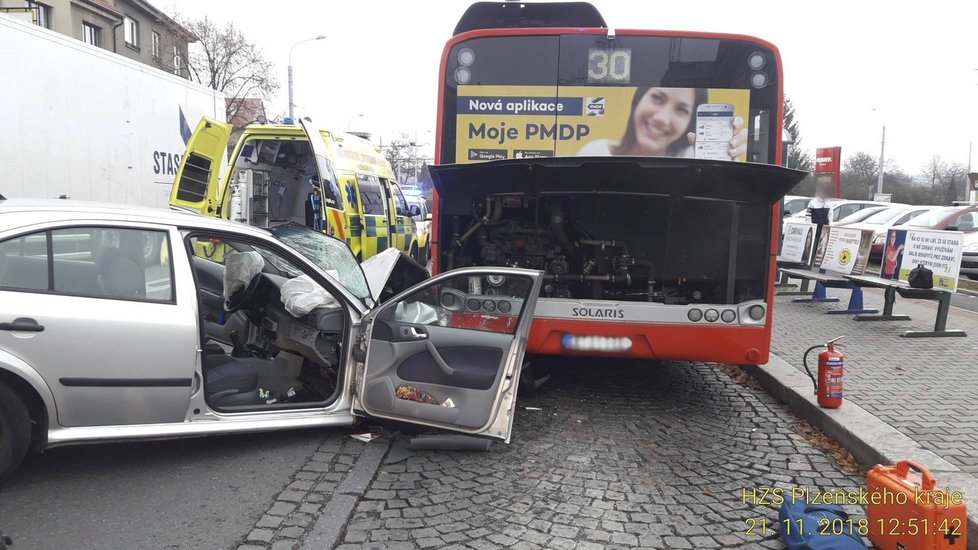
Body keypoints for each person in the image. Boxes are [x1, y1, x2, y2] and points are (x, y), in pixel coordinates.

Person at [576, 87, 746, 160]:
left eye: (681, 110)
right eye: (657, 98)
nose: (662, 119)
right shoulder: (595, 151)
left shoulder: (690, 162)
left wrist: (724, 169)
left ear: (689, 123)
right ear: (638, 99)